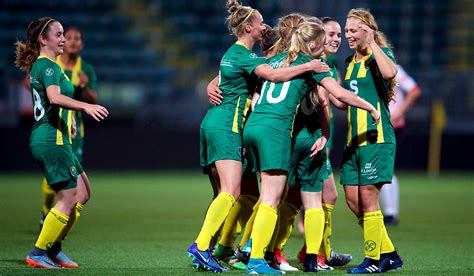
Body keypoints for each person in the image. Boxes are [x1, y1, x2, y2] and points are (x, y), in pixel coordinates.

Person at [186, 1, 330, 273]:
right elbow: (274, 74)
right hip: (229, 125)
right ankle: (209, 247)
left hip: (220, 124)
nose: (264, 26)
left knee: (228, 193)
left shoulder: (236, 54)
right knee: (235, 193)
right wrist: (309, 66)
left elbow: (223, 78)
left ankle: (217, 250)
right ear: (248, 27)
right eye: (261, 22)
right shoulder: (250, 57)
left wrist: (210, 84)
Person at [243, 20, 380, 274]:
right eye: (325, 39)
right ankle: (256, 259)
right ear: (315, 44)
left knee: (274, 196)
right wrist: (369, 106)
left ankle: (255, 251)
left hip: (252, 126)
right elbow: (338, 95)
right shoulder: (314, 66)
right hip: (276, 132)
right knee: (274, 199)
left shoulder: (277, 59)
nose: (330, 44)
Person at [14, 17, 108, 269]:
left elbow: (49, 102)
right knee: (68, 199)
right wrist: (85, 106)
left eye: (63, 33)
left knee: (84, 193)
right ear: (43, 39)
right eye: (58, 34)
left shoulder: (42, 65)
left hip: (56, 136)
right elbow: (54, 98)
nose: (63, 39)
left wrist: (69, 120)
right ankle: (39, 252)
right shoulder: (49, 66)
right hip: (50, 139)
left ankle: (54, 247)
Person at [340, 8, 403, 273]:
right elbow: (348, 101)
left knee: (368, 200)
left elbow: (390, 73)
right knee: (354, 203)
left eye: (354, 30)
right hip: (353, 142)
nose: (348, 35)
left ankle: (373, 260)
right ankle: (390, 254)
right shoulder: (349, 62)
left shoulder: (379, 56)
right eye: (347, 30)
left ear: (368, 29)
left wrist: (373, 42)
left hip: (377, 140)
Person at [296, 16, 353, 270]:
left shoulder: (331, 66)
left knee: (322, 196)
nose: (336, 39)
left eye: (339, 35)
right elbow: (330, 100)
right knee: (290, 198)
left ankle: (316, 250)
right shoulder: (313, 64)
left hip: (318, 138)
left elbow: (337, 101)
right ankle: (316, 253)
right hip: (303, 138)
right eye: (330, 34)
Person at [39, 26, 98, 230]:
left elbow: (93, 97)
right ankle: (49, 217)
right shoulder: (50, 65)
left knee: (81, 190)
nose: (70, 41)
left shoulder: (85, 69)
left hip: (74, 128)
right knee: (66, 186)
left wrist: (84, 87)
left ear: (81, 44)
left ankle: (56, 235)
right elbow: (46, 92)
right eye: (65, 36)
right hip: (54, 129)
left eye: (75, 38)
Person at [381, 65, 421, 225]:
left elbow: (414, 90)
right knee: (384, 168)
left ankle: (391, 212)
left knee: (386, 167)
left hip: (392, 125)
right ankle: (390, 212)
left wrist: (398, 113)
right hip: (377, 124)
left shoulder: (393, 69)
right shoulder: (365, 67)